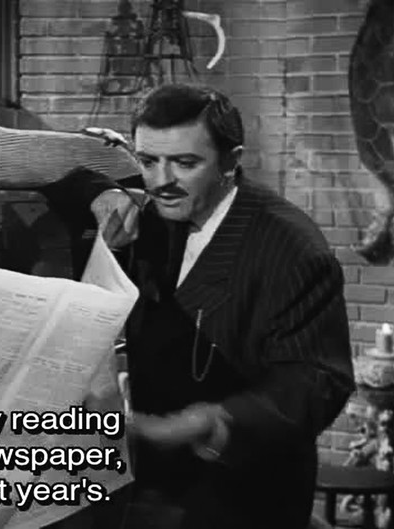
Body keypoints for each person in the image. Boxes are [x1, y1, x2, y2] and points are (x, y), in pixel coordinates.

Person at [41, 84, 355, 529]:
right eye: (148, 161)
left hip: (246, 493)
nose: (160, 181)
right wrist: (101, 193)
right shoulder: (159, 207)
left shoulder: (291, 247)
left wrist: (217, 420)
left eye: (185, 163)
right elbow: (66, 178)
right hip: (154, 485)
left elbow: (318, 379)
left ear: (231, 160)